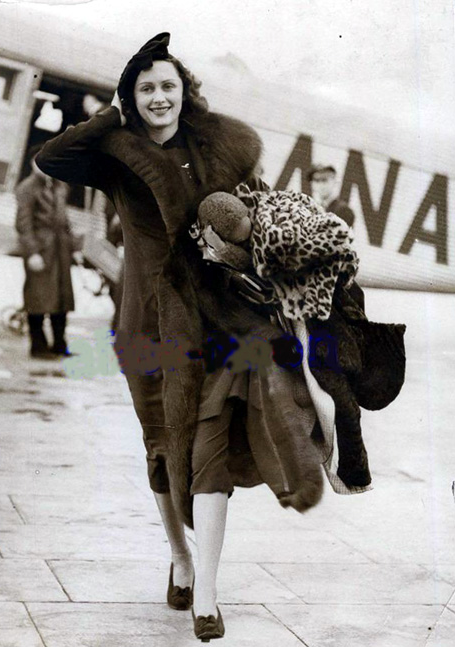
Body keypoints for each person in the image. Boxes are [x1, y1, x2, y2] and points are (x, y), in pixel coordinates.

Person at [35, 33, 363, 642]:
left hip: (218, 322)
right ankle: (181, 559)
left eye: (169, 85)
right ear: (132, 97)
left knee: (209, 448)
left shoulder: (221, 151)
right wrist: (109, 115)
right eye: (146, 89)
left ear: (185, 92)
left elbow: (260, 220)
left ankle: (206, 592)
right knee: (162, 451)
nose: (159, 97)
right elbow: (51, 158)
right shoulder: (116, 153)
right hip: (144, 324)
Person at [15, 157, 83, 358]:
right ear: (33, 164)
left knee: (61, 298)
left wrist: (74, 248)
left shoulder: (59, 185)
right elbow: (23, 224)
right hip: (41, 251)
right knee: (38, 298)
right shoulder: (27, 188)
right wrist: (32, 253)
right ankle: (38, 346)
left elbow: (65, 221)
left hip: (60, 251)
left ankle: (59, 344)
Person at [307, 163, 355, 228]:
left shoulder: (343, 210)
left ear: (334, 181)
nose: (320, 185)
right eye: (316, 180)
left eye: (324, 180)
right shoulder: (311, 209)